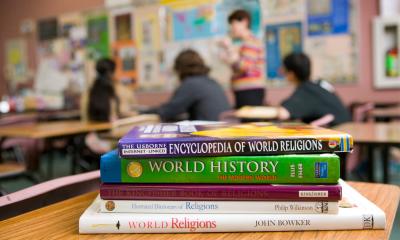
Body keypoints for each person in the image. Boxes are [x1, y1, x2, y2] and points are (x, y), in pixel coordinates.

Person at [145, 49, 230, 121]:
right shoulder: (211, 81)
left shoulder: (191, 84)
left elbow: (168, 111)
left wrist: (140, 112)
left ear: (180, 69)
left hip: (209, 135)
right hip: (223, 131)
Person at [278, 52, 351, 126]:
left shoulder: (306, 91)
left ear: (291, 74)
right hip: (348, 127)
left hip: (337, 132)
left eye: (283, 69)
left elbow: (283, 113)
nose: (281, 71)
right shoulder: (320, 83)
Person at [219, 9, 266, 109]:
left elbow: (244, 66)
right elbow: (239, 66)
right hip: (245, 90)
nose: (232, 28)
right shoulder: (244, 44)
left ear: (244, 22)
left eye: (233, 24)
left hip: (250, 90)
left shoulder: (251, 41)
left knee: (249, 123)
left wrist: (229, 47)